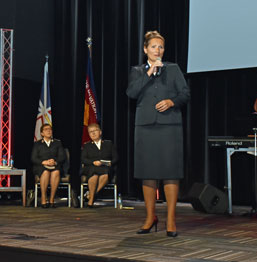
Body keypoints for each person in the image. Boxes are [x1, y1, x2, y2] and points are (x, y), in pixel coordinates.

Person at [126, 31, 190, 237]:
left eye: (161, 47)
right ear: (146, 49)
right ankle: (150, 217)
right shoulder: (137, 71)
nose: (157, 50)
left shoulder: (173, 69)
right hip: (145, 127)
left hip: (170, 126)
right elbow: (131, 93)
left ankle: (171, 220)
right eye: (153, 47)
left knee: (171, 172)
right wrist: (149, 72)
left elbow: (185, 94)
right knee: (148, 173)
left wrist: (172, 102)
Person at [81, 123, 118, 207]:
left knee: (105, 174)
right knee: (94, 175)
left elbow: (116, 158)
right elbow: (83, 159)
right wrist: (93, 162)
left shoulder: (108, 144)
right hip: (91, 167)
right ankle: (91, 199)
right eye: (91, 132)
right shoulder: (87, 146)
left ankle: (91, 196)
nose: (93, 133)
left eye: (95, 131)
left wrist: (109, 163)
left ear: (100, 132)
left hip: (105, 167)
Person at [31, 124, 65, 208]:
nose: (49, 131)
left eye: (50, 129)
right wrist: (44, 162)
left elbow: (62, 156)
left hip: (55, 165)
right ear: (42, 133)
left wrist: (55, 161)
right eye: (46, 129)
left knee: (56, 172)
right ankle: (43, 198)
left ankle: (51, 199)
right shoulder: (37, 144)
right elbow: (33, 158)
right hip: (41, 166)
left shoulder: (57, 143)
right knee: (45, 172)